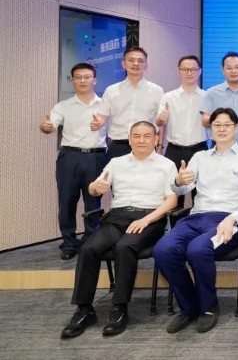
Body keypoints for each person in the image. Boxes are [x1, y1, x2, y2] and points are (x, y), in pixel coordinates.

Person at [60, 121, 177, 339]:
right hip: (117, 217)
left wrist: (147, 220)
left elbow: (171, 201)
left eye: (147, 136)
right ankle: (84, 309)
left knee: (125, 247)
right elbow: (94, 188)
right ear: (129, 139)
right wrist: (95, 188)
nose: (141, 140)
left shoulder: (166, 165)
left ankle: (119, 307)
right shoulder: (116, 163)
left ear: (156, 139)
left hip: (150, 217)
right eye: (136, 136)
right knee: (88, 248)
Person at [153, 107, 238, 334]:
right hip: (196, 218)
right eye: (217, 125)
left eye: (227, 125)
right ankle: (189, 306)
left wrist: (233, 219)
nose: (222, 129)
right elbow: (183, 188)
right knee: (163, 250)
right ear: (210, 129)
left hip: (229, 222)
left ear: (235, 128)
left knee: (197, 249)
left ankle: (208, 305)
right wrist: (178, 181)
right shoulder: (199, 157)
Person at [40, 62, 107, 260]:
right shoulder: (63, 106)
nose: (82, 80)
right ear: (73, 81)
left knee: (93, 201)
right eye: (78, 77)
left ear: (95, 80)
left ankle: (92, 243)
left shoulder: (105, 106)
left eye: (87, 77)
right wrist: (46, 127)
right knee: (67, 200)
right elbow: (50, 125)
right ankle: (69, 243)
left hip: (96, 156)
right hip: (69, 157)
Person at [156, 55, 208, 209]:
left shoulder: (207, 97)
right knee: (173, 197)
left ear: (200, 71)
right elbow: (159, 123)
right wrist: (161, 118)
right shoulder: (168, 97)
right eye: (185, 69)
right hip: (174, 151)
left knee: (201, 196)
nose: (189, 73)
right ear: (178, 71)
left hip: (200, 150)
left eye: (193, 69)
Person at [97, 47, 164, 160]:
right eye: (131, 60)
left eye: (140, 61)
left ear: (146, 65)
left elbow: (161, 123)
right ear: (123, 63)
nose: (136, 63)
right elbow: (102, 117)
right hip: (118, 146)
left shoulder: (157, 91)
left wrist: (160, 146)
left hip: (146, 145)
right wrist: (97, 122)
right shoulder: (111, 90)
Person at [202, 52, 238, 152]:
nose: (233, 71)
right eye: (229, 68)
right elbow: (204, 121)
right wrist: (220, 119)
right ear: (223, 70)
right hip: (219, 147)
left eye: (237, 67)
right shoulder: (212, 92)